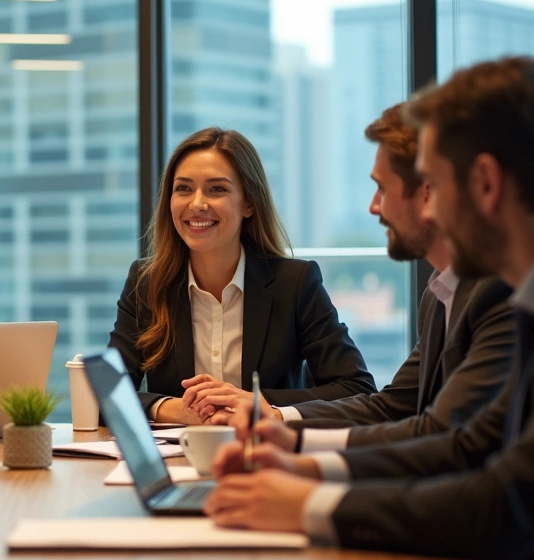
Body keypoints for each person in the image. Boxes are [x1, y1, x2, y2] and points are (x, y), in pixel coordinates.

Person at [203, 56, 534, 560]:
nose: (429, 208)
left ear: (484, 183)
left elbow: (512, 500)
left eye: (437, 187)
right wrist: (307, 471)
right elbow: (474, 441)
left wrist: (307, 503)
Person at [202, 104, 513, 453]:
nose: (373, 207)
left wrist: (309, 468)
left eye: (381, 188)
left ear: (427, 191)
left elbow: (442, 435)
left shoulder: (495, 293)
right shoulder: (439, 293)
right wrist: (279, 420)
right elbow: (392, 406)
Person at [108, 127, 376, 425]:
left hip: (268, 457)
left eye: (217, 189)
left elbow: (357, 389)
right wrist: (174, 409)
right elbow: (105, 393)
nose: (197, 204)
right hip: (175, 459)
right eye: (183, 188)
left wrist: (257, 403)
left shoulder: (295, 283)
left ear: (249, 203)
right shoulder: (146, 284)